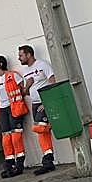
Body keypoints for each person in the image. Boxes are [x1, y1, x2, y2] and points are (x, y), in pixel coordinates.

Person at [18, 44, 58, 175]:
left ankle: (48, 160)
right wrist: (26, 87)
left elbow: (53, 80)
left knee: (40, 128)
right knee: (42, 133)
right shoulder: (25, 72)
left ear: (29, 54)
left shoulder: (42, 65)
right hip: (34, 103)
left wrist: (49, 101)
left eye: (21, 55)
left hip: (44, 102)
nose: (19, 58)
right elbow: (26, 92)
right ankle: (48, 161)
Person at [0, 55, 28, 178]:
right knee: (6, 137)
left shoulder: (13, 75)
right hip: (2, 110)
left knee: (16, 136)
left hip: (14, 108)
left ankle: (20, 163)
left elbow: (22, 89)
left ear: (1, 64)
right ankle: (9, 163)